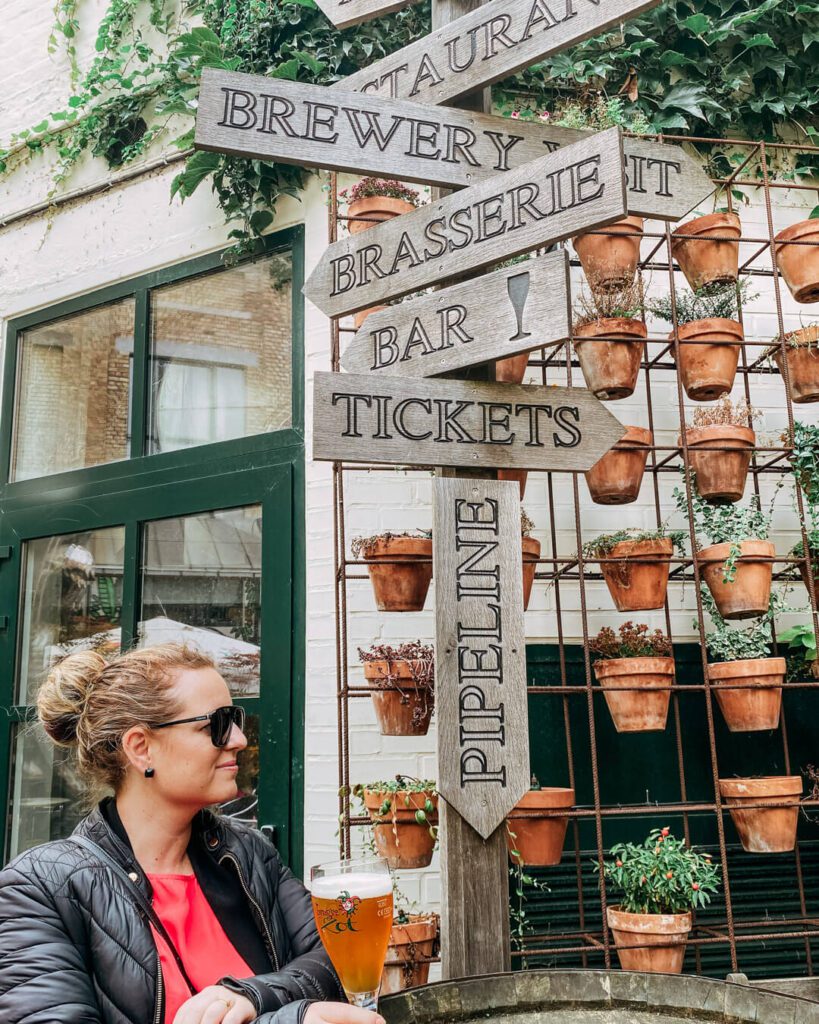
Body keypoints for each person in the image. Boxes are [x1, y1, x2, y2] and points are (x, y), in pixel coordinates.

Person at [0, 643, 385, 1024]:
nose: (238, 739)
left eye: (234, 720)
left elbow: (336, 959)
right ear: (140, 748)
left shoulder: (249, 854)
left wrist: (251, 995)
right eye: (215, 726)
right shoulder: (39, 890)